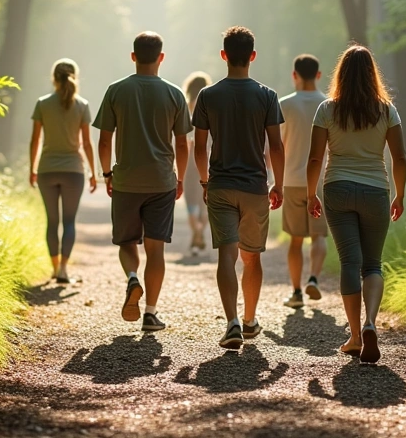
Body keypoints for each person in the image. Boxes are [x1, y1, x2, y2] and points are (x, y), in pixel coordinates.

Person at [306, 45, 406, 364]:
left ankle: (353, 336)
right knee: (372, 264)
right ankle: (370, 324)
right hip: (376, 189)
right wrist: (399, 194)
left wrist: (311, 194)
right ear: (371, 74)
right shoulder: (386, 110)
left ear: (342, 75)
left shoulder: (326, 109)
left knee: (350, 262)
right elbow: (400, 158)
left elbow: (314, 158)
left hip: (337, 187)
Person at [192, 26, 285, 350]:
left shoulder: (208, 96)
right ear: (253, 56)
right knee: (251, 258)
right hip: (255, 186)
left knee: (226, 256)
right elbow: (276, 146)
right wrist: (279, 185)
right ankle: (249, 320)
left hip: (220, 185)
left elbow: (199, 147)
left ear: (224, 55)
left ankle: (231, 322)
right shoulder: (267, 96)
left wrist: (205, 181)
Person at [94, 32, 192, 332]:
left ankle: (132, 278)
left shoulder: (116, 91)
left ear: (133, 56)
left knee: (126, 242)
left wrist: (107, 173)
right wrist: (180, 178)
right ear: (161, 57)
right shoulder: (175, 94)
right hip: (161, 181)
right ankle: (150, 313)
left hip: (125, 181)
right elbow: (183, 144)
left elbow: (104, 139)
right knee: (156, 249)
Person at [29, 58, 97, 284]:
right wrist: (93, 173)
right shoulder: (82, 105)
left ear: (54, 78)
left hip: (47, 170)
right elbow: (87, 143)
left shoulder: (42, 103)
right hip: (73, 171)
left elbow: (35, 141)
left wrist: (32, 169)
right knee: (69, 221)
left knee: (52, 221)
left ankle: (55, 268)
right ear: (74, 77)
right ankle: (64, 270)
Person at [278, 54, 327, 308]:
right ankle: (315, 279)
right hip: (320, 181)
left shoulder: (284, 105)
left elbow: (277, 146)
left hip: (293, 179)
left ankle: (296, 293)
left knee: (295, 239)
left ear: (294, 75)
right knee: (318, 236)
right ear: (318, 75)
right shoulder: (330, 105)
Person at [182, 71, 214, 254]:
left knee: (191, 202)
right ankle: (200, 231)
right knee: (205, 200)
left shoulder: (185, 108)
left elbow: (181, 139)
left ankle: (196, 232)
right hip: (208, 159)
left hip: (189, 161)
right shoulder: (211, 107)